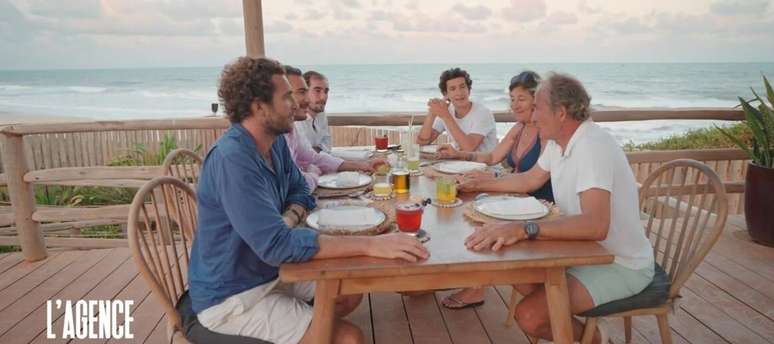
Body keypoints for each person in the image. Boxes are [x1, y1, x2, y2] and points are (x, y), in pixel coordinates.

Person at [188, 57, 429, 344]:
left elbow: (301, 189)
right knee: (349, 339)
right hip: (232, 294)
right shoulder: (233, 160)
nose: (296, 103)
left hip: (268, 272)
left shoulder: (274, 143)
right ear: (258, 106)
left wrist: (288, 219)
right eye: (286, 96)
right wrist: (371, 243)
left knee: (348, 292)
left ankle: (307, 329)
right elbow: (276, 246)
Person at [462, 73, 654, 344]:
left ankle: (598, 339)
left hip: (620, 263)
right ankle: (576, 323)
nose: (533, 114)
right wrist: (477, 185)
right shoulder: (558, 142)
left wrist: (523, 228)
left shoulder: (591, 147)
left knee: (530, 316)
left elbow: (596, 225)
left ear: (561, 113)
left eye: (537, 107)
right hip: (581, 253)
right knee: (512, 270)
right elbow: (529, 180)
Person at [437, 71, 554, 310]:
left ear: (537, 99)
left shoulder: (546, 132)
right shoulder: (520, 127)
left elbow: (533, 180)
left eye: (521, 99)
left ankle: (480, 286)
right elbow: (492, 156)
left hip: (541, 207)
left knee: (481, 221)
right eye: (512, 99)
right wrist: (460, 155)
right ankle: (470, 278)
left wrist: (491, 179)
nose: (515, 105)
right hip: (518, 198)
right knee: (468, 211)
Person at [283, 65, 386, 191]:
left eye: (326, 91)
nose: (323, 97)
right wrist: (313, 174)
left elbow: (319, 155)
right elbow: (295, 184)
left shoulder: (291, 129)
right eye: (302, 92)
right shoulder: (282, 133)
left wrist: (364, 165)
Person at [416, 67, 497, 153]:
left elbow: (469, 147)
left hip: (485, 165)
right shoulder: (448, 110)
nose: (459, 92)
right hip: (459, 163)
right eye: (453, 89)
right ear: (446, 94)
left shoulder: (483, 113)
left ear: (469, 90)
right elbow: (422, 142)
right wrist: (432, 113)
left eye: (462, 87)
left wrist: (445, 115)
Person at [295, 70, 332, 153]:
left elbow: (328, 146)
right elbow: (305, 154)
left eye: (326, 91)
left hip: (321, 162)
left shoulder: (320, 113)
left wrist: (317, 150)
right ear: (305, 92)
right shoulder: (297, 119)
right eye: (317, 90)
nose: (323, 97)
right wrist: (317, 150)